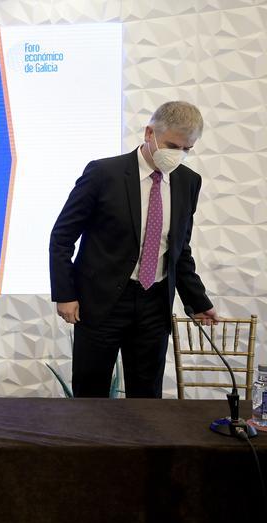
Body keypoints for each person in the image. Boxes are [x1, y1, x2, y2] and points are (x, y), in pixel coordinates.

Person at [49, 101, 218, 398]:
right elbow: (62, 237)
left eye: (187, 149)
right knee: (91, 395)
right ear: (149, 133)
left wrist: (198, 301)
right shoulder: (103, 173)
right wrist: (65, 294)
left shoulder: (189, 182)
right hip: (102, 302)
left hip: (155, 303)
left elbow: (180, 249)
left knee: (147, 397)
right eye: (172, 146)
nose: (178, 155)